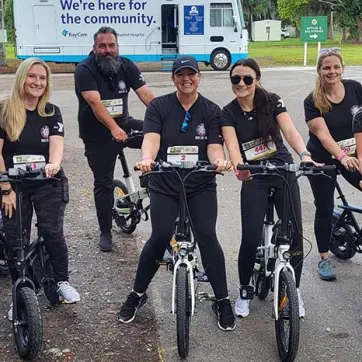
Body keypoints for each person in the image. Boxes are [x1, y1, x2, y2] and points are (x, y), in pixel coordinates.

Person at [117, 55, 236, 331]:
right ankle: (137, 294)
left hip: (200, 182)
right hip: (165, 181)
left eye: (191, 74)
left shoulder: (211, 110)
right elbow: (151, 139)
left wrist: (219, 160)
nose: (186, 79)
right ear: (173, 78)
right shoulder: (159, 106)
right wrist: (147, 159)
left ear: (199, 77)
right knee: (159, 236)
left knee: (207, 235)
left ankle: (222, 298)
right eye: (180, 75)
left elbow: (214, 145)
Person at [220, 58, 317, 319]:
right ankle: (244, 290)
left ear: (257, 80)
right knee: (250, 237)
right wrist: (238, 165)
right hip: (254, 174)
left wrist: (304, 154)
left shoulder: (272, 100)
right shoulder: (228, 112)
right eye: (236, 79)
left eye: (247, 79)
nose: (242, 83)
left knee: (295, 235)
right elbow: (231, 143)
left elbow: (290, 130)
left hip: (282, 170)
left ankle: (293, 290)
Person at [0, 58, 80, 319]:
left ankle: (61, 280)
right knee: (15, 240)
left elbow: (56, 144)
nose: (37, 82)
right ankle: (20, 292)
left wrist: (54, 164)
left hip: (47, 182)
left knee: (52, 231)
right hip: (13, 185)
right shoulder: (5, 111)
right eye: (32, 77)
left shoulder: (51, 111)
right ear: (22, 78)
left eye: (42, 78)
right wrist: (5, 187)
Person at [74, 26, 155, 252]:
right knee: (103, 183)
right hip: (97, 134)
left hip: (124, 123)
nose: (107, 50)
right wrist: (113, 128)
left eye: (112, 46)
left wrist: (164, 117)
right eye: (103, 46)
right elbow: (95, 103)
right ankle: (105, 232)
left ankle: (148, 175)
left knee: (158, 135)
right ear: (94, 48)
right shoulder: (84, 70)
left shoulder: (126, 65)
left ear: (117, 47)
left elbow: (146, 94)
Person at [304, 49, 362, 281]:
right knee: (325, 207)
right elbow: (323, 135)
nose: (332, 71)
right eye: (326, 68)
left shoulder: (355, 89)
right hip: (323, 159)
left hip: (353, 153)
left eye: (336, 67)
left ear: (342, 68)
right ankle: (324, 258)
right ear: (319, 71)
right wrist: (342, 157)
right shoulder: (312, 101)